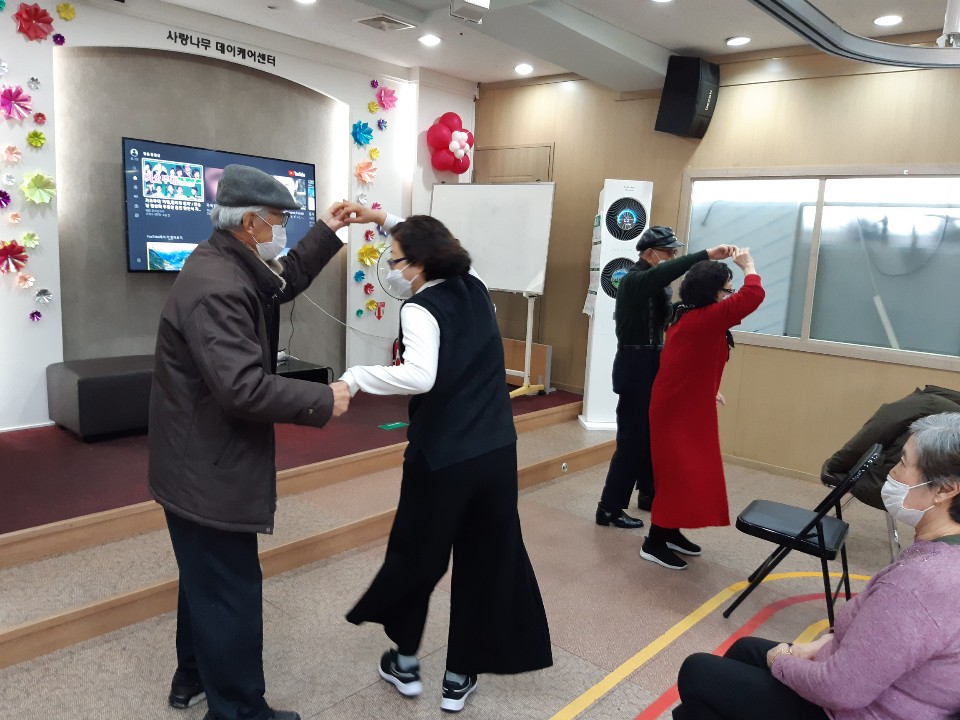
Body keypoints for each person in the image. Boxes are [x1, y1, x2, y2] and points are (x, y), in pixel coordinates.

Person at [148, 164, 353, 720]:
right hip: (206, 467)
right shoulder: (217, 286)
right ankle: (238, 711)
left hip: (196, 460)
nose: (282, 229)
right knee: (229, 591)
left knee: (205, 579)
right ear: (251, 223)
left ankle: (192, 676)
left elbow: (281, 281)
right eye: (279, 220)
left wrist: (328, 231)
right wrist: (322, 398)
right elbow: (241, 388)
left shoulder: (229, 261)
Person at [338, 206, 553, 713]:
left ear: (419, 264)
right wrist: (380, 216)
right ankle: (459, 676)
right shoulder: (476, 285)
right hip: (495, 452)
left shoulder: (420, 308)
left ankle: (406, 663)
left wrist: (355, 377)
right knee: (487, 558)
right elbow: (433, 238)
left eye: (396, 259)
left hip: (442, 457)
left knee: (418, 556)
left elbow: (420, 376)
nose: (392, 268)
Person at [672, 412, 960, 720]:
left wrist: (781, 662)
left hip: (855, 708)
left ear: (945, 490)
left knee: (697, 672)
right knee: (742, 652)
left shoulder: (917, 585)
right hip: (882, 690)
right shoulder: (942, 557)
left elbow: (842, 689)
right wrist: (827, 641)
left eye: (902, 462)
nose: (891, 472)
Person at [596, 227, 735, 529]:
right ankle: (609, 508)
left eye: (674, 252)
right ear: (650, 253)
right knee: (632, 440)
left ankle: (649, 494)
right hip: (635, 365)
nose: (672, 257)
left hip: (654, 361)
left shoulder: (656, 285)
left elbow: (664, 315)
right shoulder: (632, 280)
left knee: (653, 435)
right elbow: (664, 274)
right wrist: (706, 255)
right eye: (668, 252)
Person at [643, 248, 764, 569]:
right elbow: (753, 296)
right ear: (711, 291)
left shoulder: (692, 315)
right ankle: (654, 541)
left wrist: (710, 390)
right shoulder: (704, 318)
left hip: (687, 404)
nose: (729, 295)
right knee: (679, 473)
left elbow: (688, 363)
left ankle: (670, 531)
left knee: (690, 473)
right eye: (726, 290)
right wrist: (748, 266)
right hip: (676, 411)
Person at [822, 385, 960, 510]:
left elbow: (875, 431)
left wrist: (836, 465)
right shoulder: (949, 411)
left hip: (890, 484)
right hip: (939, 499)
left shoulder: (930, 402)